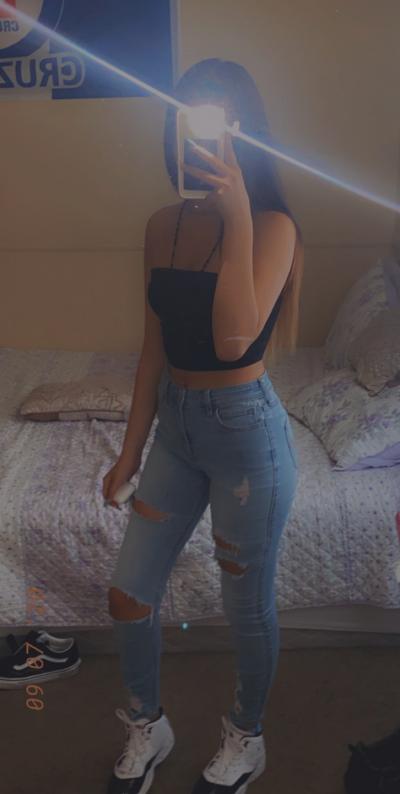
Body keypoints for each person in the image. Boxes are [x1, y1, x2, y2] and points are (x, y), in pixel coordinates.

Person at [103, 57, 304, 794]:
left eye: (218, 117)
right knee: (128, 593)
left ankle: (246, 738)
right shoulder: (161, 226)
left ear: (245, 131)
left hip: (246, 436)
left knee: (245, 607)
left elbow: (231, 341)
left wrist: (239, 214)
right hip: (177, 430)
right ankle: (147, 724)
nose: (200, 133)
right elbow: (153, 349)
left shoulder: (275, 227)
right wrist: (128, 453)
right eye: (186, 116)